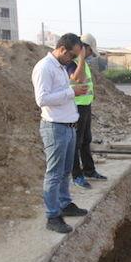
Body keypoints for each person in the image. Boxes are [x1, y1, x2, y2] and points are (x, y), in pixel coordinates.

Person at [32, 33, 89, 233]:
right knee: (54, 173)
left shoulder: (60, 67)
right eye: (72, 56)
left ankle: (65, 204)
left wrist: (73, 89)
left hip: (68, 126)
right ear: (63, 49)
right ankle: (52, 216)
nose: (72, 60)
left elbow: (63, 92)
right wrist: (72, 93)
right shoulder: (44, 67)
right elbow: (42, 99)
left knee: (65, 171)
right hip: (55, 127)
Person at [67, 33, 107, 190]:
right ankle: (76, 175)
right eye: (90, 51)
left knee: (86, 140)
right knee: (76, 143)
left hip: (85, 106)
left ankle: (89, 170)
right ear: (84, 48)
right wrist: (82, 58)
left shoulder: (82, 63)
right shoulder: (72, 62)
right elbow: (76, 79)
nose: (90, 55)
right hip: (75, 107)